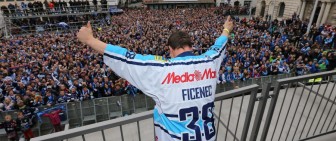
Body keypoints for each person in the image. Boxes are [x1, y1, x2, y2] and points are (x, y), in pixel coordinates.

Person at [77, 16, 234, 141]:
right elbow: (219, 45)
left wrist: (90, 40)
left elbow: (125, 57)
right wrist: (226, 28)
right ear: (191, 47)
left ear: (170, 50)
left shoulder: (161, 70)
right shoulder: (210, 61)